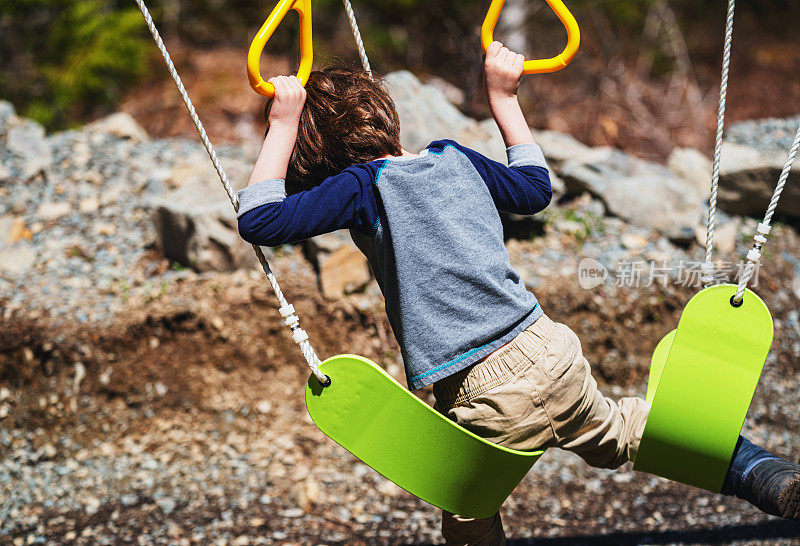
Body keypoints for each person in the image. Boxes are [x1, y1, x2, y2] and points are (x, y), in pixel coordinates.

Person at [237, 42, 800, 544]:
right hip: (551, 349)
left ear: (323, 161)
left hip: (482, 391)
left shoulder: (362, 187)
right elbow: (535, 189)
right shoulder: (452, 155)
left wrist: (282, 125)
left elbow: (259, 219)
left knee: (467, 513)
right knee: (633, 431)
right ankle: (767, 476)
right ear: (386, 114)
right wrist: (504, 98)